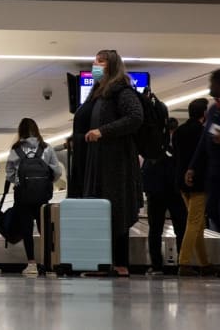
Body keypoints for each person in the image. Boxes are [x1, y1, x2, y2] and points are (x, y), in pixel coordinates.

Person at [81, 50, 143, 277]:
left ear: (111, 65)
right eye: (94, 60)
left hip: (115, 164)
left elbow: (135, 117)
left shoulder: (121, 91)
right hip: (100, 161)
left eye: (100, 61)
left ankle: (117, 264)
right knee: (101, 209)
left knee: (115, 210)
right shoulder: (99, 92)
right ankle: (105, 263)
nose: (95, 64)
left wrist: (103, 131)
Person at [187, 68, 220, 278]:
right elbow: (203, 141)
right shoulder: (213, 109)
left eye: (213, 82)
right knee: (214, 210)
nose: (210, 85)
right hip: (212, 170)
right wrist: (192, 166)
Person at [5, 118, 62, 276]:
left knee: (26, 229)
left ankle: (31, 263)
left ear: (21, 131)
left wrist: (19, 181)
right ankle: (48, 262)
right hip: (42, 196)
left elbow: (9, 174)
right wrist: (46, 181)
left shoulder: (15, 150)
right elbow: (57, 172)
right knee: (45, 228)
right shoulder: (47, 148)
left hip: (22, 197)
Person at [142, 116, 187, 275]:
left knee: (155, 229)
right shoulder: (176, 147)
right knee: (180, 227)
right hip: (173, 193)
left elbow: (146, 171)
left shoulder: (152, 146)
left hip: (155, 193)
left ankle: (156, 266)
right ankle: (182, 262)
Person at [172, 98, 210, 276]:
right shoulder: (203, 132)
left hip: (181, 182)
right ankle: (184, 262)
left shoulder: (179, 131)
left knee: (198, 224)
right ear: (204, 114)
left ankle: (204, 263)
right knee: (194, 223)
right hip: (198, 182)